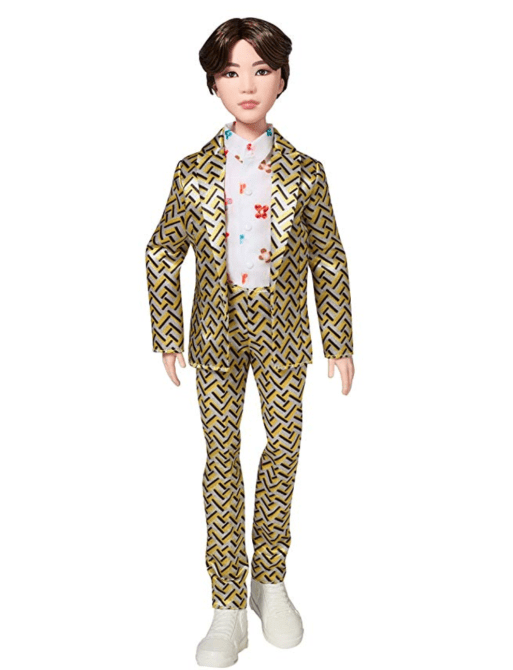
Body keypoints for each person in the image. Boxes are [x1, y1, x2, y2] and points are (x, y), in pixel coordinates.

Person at [145, 17, 355, 667]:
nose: (247, 85)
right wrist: (167, 333)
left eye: (261, 70)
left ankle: (270, 578)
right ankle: (227, 603)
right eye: (231, 72)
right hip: (215, 332)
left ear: (281, 79)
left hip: (284, 333)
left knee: (284, 446)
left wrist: (339, 339)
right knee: (221, 458)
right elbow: (162, 250)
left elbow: (328, 257)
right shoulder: (192, 173)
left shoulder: (306, 173)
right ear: (213, 82)